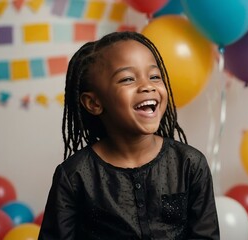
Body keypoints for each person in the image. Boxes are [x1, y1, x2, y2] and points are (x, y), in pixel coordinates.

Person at [38, 31, 219, 240]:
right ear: (94, 103)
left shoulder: (189, 164)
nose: (147, 86)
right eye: (127, 79)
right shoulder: (74, 177)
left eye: (154, 76)